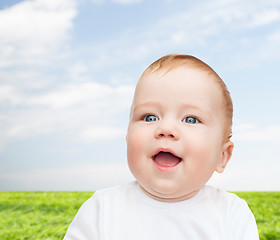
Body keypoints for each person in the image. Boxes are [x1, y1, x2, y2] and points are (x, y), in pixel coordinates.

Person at [63, 54, 259, 240]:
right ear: (127, 137)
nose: (165, 128)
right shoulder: (101, 209)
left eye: (190, 119)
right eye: (150, 117)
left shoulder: (231, 213)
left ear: (222, 156)